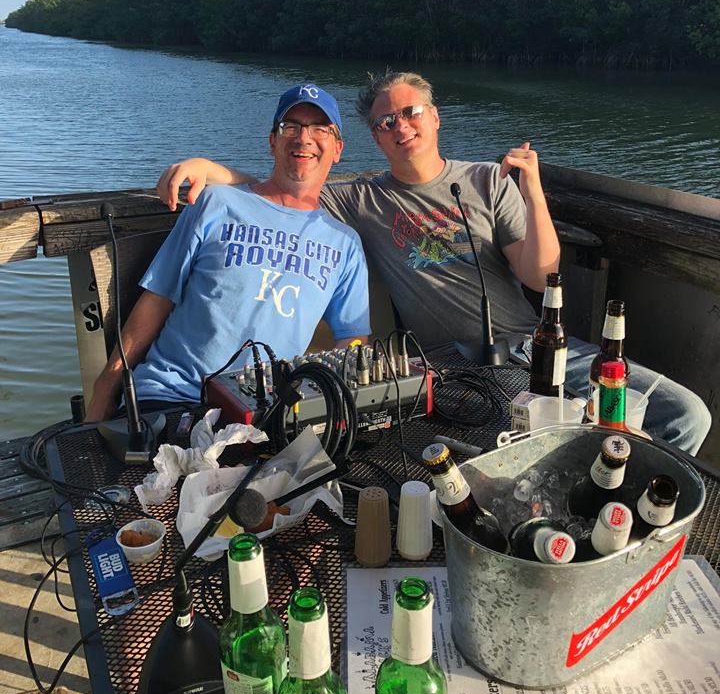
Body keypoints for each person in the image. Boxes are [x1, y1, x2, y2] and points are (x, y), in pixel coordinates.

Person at [155, 71, 711, 454]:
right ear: (374, 140)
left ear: (435, 117)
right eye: (385, 122)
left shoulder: (488, 181)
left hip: (539, 347)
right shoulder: (361, 200)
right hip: (461, 368)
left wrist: (534, 192)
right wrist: (212, 170)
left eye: (410, 113)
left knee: (685, 416)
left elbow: (541, 277)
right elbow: (287, 182)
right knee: (543, 445)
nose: (400, 127)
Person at [85, 84, 370, 421]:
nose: (304, 138)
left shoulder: (344, 243)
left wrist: (321, 403)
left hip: (264, 412)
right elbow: (157, 298)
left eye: (320, 128)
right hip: (171, 394)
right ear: (272, 141)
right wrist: (106, 387)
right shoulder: (216, 202)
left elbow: (352, 337)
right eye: (290, 126)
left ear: (337, 149)